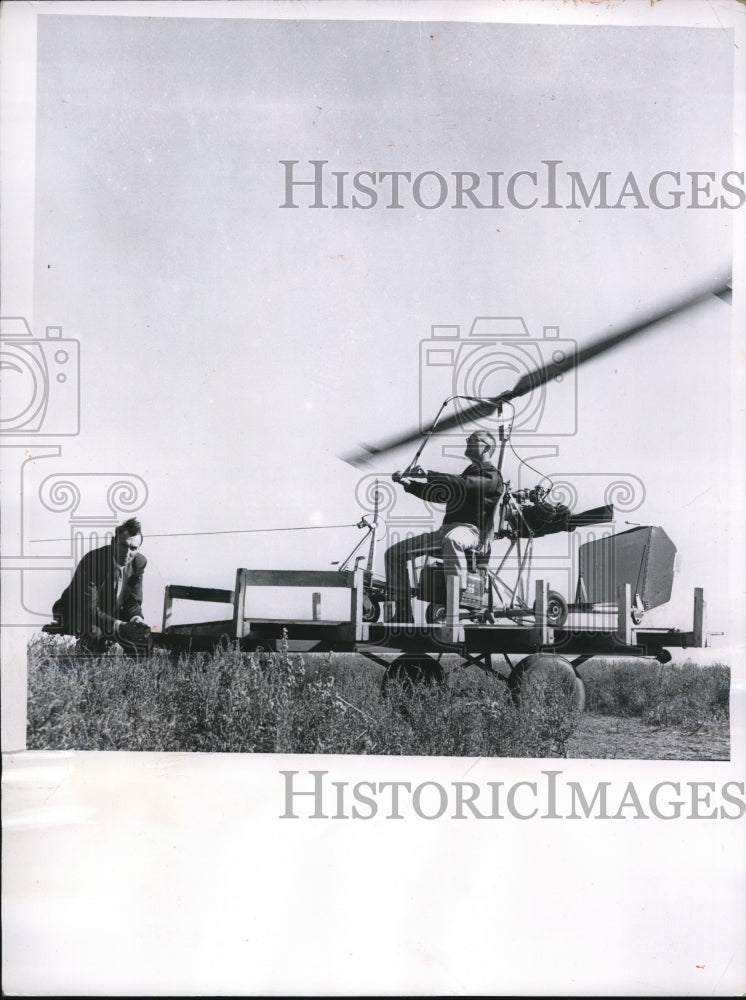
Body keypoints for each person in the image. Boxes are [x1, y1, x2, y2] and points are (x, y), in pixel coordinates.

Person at [384, 431, 504, 623]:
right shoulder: (468, 475)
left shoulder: (492, 476)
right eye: (469, 439)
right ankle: (403, 612)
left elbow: (463, 484)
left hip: (471, 532)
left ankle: (456, 599)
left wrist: (430, 475)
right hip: (446, 531)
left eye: (474, 440)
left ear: (487, 448)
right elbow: (439, 493)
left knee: (453, 539)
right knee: (394, 553)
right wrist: (409, 484)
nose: (468, 442)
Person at [51, 517, 151, 654]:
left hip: (106, 613)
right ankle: (82, 666)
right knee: (95, 633)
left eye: (133, 548)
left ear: (138, 548)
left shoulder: (139, 563)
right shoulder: (93, 560)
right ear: (113, 542)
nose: (127, 553)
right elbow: (89, 610)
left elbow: (133, 601)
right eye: (123, 545)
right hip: (75, 611)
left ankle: (133, 668)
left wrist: (136, 619)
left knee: (142, 637)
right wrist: (121, 626)